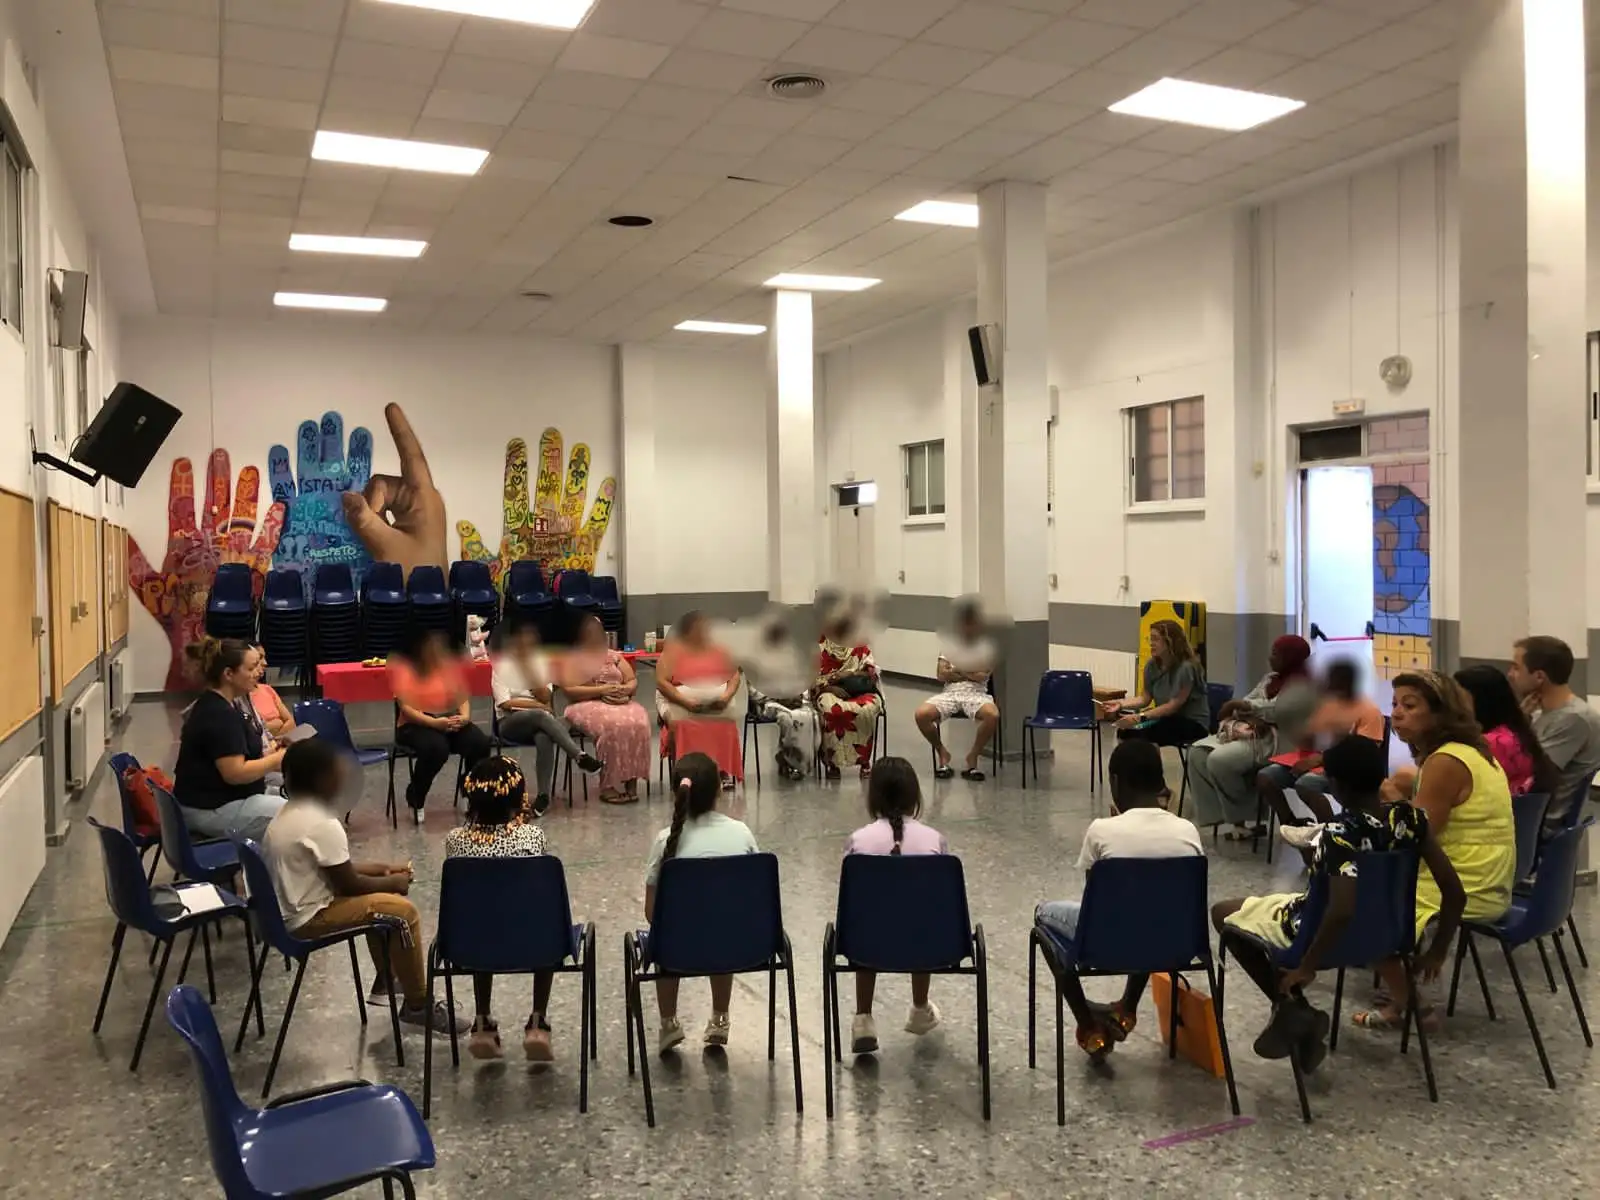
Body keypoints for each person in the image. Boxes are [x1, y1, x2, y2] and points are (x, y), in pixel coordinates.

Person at [1214, 736, 1464, 1065]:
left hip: (1318, 936)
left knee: (1223, 913)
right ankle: (1292, 1013)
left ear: (1336, 786)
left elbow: (1342, 909)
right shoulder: (1412, 820)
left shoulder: (1339, 833)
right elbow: (1455, 892)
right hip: (1387, 934)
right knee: (1280, 904)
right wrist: (1437, 951)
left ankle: (1290, 1006)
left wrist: (1307, 966)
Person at [262, 738, 463, 1034]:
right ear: (322, 779)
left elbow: (333, 868)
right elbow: (349, 886)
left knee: (381, 900)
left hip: (285, 913)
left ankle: (387, 981)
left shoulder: (290, 812)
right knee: (403, 913)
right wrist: (393, 882)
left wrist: (382, 869)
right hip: (307, 919)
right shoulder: (321, 823)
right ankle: (418, 1005)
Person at [1352, 670, 1514, 1029]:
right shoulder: (1467, 751)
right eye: (1394, 704)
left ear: (1441, 713)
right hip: (1480, 875)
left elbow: (1412, 838)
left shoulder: (1445, 762)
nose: (1396, 713)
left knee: (1351, 901)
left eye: (1410, 706)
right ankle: (1399, 986)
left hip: (1467, 883)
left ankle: (1412, 1005)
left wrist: (1387, 798)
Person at [1034, 740, 1204, 1060]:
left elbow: (1097, 904)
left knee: (1043, 914)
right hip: (1177, 944)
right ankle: (1126, 1008)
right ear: (1160, 781)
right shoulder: (1187, 830)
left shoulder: (1102, 830)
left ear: (1114, 781)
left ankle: (1088, 1026)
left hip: (1106, 944)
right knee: (1151, 910)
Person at [444, 756, 558, 1062]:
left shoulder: (455, 841)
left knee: (483, 918)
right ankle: (538, 1022)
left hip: (470, 944)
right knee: (546, 921)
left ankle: (482, 1022)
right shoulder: (533, 837)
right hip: (532, 943)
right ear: (518, 799)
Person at [644, 752, 759, 1054]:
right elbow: (753, 900)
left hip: (678, 947)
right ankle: (720, 1018)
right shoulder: (742, 833)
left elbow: (652, 912)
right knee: (721, 924)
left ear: (675, 793)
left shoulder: (665, 840)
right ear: (720, 790)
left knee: (664, 937)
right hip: (740, 945)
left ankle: (669, 1023)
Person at [844, 757, 949, 1054]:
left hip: (868, 942)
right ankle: (920, 1007)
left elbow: (850, 898)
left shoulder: (858, 840)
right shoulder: (935, 840)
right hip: (925, 941)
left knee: (866, 920)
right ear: (915, 796)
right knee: (921, 915)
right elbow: (940, 901)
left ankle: (863, 1018)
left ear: (873, 797)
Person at [1186, 634, 1318, 840]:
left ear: (1290, 658)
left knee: (1219, 760)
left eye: (1276, 654)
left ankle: (1246, 817)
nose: (1270, 658)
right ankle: (1223, 818)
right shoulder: (1270, 679)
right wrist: (1250, 712)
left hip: (1277, 742)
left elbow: (1276, 710)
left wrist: (1246, 708)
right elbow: (1249, 702)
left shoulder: (1304, 685)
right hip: (1252, 733)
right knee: (1197, 752)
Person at [173, 637, 288, 841]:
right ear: (228, 674)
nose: (258, 673)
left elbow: (236, 755)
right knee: (297, 816)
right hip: (208, 809)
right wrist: (276, 760)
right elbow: (235, 773)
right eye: (251, 668)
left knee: (298, 803)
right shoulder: (219, 714)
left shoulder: (218, 704)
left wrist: (269, 754)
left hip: (215, 801)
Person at [1254, 658, 1384, 827]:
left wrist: (1321, 760)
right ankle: (1290, 822)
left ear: (1347, 682)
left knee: (1306, 784)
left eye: (1333, 681)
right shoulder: (1329, 704)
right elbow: (1309, 736)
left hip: (1345, 768)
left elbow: (1365, 754)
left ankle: (1330, 828)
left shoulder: (1369, 710)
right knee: (1265, 777)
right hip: (1318, 759)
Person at [491, 620, 602, 817]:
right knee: (541, 716)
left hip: (539, 722)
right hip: (510, 723)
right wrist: (537, 707)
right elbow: (505, 703)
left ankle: (543, 796)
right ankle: (579, 756)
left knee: (544, 736)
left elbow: (545, 696)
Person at [390, 629, 493, 814]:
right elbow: (406, 709)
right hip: (415, 724)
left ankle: (468, 789)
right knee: (437, 748)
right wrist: (433, 723)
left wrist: (465, 717)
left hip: (448, 719)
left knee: (480, 743)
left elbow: (461, 697)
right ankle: (416, 796)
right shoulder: (406, 671)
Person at [560, 613, 652, 804]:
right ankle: (608, 785)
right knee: (612, 726)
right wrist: (602, 690)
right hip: (585, 703)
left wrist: (624, 689)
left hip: (618, 701)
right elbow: (569, 690)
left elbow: (632, 680)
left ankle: (631, 780)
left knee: (639, 722)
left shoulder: (613, 656)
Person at [1508, 635, 1600, 824]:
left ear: (1539, 677)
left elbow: (1530, 773)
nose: (1510, 674)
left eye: (1516, 668)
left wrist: (1517, 724)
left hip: (1540, 822)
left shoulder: (1574, 719)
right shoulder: (1539, 713)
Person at [656, 610, 743, 788]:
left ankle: (721, 770)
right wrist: (686, 702)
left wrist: (726, 697)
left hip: (716, 704)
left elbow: (734, 676)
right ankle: (687, 772)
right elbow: (662, 682)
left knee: (724, 723)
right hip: (677, 700)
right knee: (682, 723)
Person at [914, 600, 1000, 781]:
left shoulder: (987, 648)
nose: (968, 628)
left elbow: (982, 675)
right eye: (965, 624)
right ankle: (942, 752)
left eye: (972, 623)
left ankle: (973, 756)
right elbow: (941, 675)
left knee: (992, 715)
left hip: (977, 693)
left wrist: (957, 669)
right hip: (950, 693)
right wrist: (970, 670)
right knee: (921, 714)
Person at [1454, 663, 1558, 798]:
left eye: (1459, 699)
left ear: (1481, 701)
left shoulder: (1493, 743)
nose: (1454, 706)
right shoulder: (1517, 733)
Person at [1104, 619, 1211, 749]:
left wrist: (1140, 717)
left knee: (1143, 733)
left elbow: (1173, 706)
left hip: (1191, 723)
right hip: (1165, 718)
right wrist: (1120, 704)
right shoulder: (1152, 665)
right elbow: (1145, 698)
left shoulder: (1186, 668)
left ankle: (1149, 761)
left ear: (1170, 642)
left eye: (1155, 639)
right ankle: (1135, 761)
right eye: (1150, 639)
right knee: (1125, 730)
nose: (1151, 643)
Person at [743, 609, 816, 781]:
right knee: (787, 719)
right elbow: (753, 691)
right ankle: (790, 761)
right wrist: (778, 697)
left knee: (811, 717)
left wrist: (798, 696)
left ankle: (800, 760)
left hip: (793, 700)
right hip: (767, 703)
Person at [816, 609, 883, 779]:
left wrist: (850, 674)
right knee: (832, 710)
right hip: (828, 689)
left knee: (866, 709)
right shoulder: (819, 644)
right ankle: (832, 762)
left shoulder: (858, 643)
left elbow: (871, 671)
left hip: (858, 690)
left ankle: (864, 761)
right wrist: (830, 688)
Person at [249, 644, 296, 739]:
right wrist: (277, 723)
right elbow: (253, 731)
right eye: (260, 658)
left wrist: (275, 739)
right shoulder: (240, 697)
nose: (265, 663)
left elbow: (291, 722)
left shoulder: (267, 689)